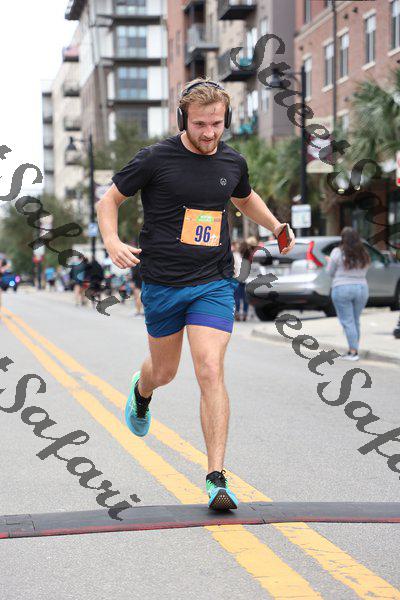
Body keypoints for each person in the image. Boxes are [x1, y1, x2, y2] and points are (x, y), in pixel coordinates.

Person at [96, 77, 295, 510]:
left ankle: (216, 478)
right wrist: (111, 240)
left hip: (213, 281)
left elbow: (243, 198)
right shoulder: (155, 158)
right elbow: (108, 201)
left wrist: (275, 225)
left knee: (209, 368)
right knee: (164, 372)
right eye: (201, 124)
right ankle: (142, 391)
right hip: (163, 283)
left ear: (226, 119)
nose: (209, 133)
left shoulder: (232, 160)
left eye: (217, 123)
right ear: (183, 119)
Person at [326, 227, 371, 361]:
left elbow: (330, 272)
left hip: (342, 288)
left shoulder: (337, 252)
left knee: (348, 321)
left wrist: (329, 262)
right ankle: (354, 350)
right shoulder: (364, 253)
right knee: (355, 320)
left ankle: (353, 352)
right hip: (362, 288)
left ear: (343, 238)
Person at [234, 240, 252, 321]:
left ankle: (238, 313)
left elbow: (233, 267)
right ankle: (244, 313)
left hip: (237, 279)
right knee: (245, 298)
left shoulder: (235, 255)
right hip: (245, 279)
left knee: (237, 298)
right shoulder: (249, 256)